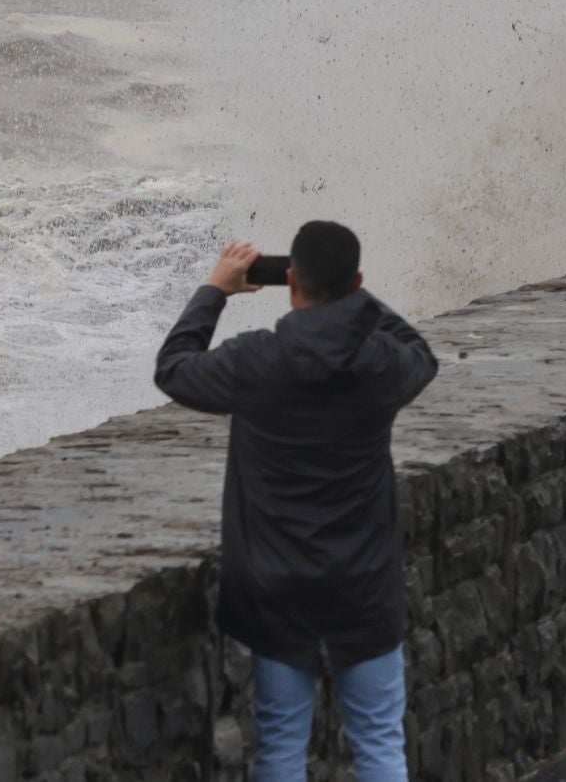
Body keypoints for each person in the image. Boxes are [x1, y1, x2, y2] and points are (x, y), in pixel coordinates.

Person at [155, 221, 439, 782]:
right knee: (380, 743)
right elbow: (421, 353)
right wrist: (354, 300)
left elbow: (174, 369)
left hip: (275, 586)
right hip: (363, 582)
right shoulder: (379, 363)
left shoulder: (255, 361)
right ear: (356, 282)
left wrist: (215, 289)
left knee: (282, 745)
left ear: (290, 280)